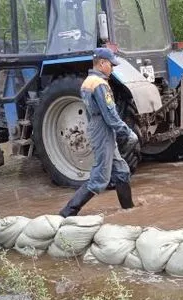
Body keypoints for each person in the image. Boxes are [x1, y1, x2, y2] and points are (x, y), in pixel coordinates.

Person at [59, 47, 139, 217]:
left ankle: (129, 210)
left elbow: (92, 113)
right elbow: (110, 115)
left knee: (121, 170)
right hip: (103, 129)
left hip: (98, 126)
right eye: (111, 64)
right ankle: (67, 213)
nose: (112, 68)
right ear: (102, 63)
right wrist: (127, 132)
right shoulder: (100, 84)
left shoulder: (88, 81)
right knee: (99, 178)